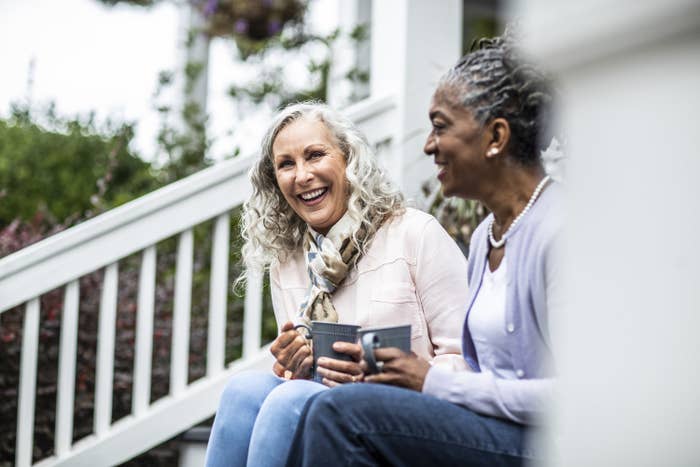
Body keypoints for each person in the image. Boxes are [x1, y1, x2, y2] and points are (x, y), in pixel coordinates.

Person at [285, 33, 561, 467]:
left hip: (552, 445)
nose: (429, 145)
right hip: (489, 429)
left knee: (342, 415)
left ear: (496, 136)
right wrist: (386, 372)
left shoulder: (560, 230)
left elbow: (586, 395)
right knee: (334, 405)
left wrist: (430, 381)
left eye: (441, 126)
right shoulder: (488, 234)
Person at [204, 102, 469, 467]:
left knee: (289, 399)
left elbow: (471, 361)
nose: (302, 175)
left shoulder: (414, 234)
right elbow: (306, 380)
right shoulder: (288, 263)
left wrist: (393, 376)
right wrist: (296, 365)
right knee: (243, 391)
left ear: (349, 159)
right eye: (286, 164)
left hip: (412, 415)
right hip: (327, 410)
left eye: (315, 155)